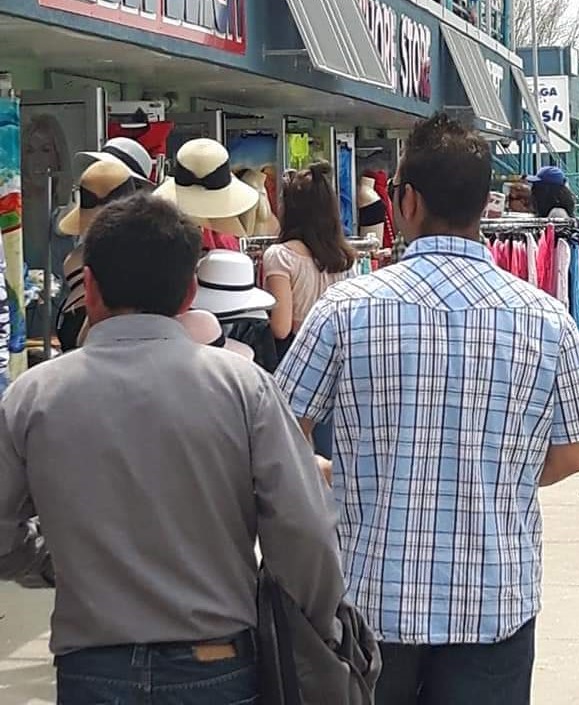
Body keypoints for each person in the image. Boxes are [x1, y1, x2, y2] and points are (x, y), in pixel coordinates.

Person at [277, 114, 579, 705]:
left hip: (370, 604)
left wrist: (330, 472)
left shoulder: (345, 310)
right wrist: (500, 473)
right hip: (495, 600)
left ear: (407, 202)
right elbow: (574, 452)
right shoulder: (544, 318)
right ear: (484, 205)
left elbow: (279, 432)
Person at [0, 193, 345, 704]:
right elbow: (302, 530)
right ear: (190, 292)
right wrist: (319, 625)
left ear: (89, 288)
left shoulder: (33, 396)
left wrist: (50, 559)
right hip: (217, 661)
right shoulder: (243, 388)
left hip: (92, 665)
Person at [264, 161, 357, 457]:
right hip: (342, 361)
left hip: (297, 359)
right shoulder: (345, 258)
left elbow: (281, 326)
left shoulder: (280, 256)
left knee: (298, 454)